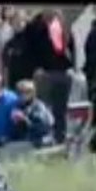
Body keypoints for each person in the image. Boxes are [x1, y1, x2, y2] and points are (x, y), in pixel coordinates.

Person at [22, 9, 75, 144]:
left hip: (63, 73)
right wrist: (35, 68)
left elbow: (70, 48)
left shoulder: (61, 26)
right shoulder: (34, 27)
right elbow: (29, 49)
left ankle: (60, 139)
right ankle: (45, 139)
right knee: (44, 109)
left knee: (61, 110)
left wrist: (72, 67)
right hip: (44, 74)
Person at [10, 80, 54, 148]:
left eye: (26, 92)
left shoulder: (38, 106)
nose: (22, 95)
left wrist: (24, 119)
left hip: (39, 143)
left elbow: (42, 127)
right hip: (24, 143)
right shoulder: (19, 106)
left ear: (32, 93)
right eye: (20, 92)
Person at [2, 10, 32, 88]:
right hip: (13, 81)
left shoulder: (31, 40)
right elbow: (6, 64)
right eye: (16, 21)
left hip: (28, 82)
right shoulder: (9, 43)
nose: (19, 24)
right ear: (12, 24)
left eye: (21, 21)